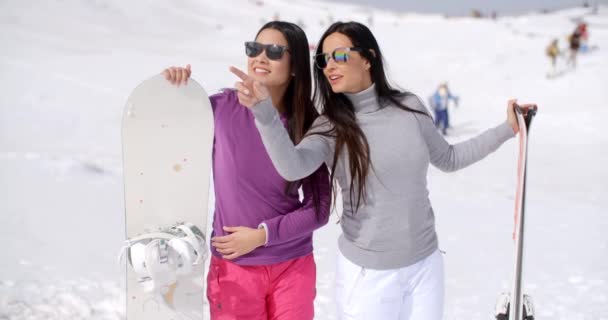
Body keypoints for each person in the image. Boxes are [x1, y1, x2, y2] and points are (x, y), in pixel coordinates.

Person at [231, 21, 536, 320]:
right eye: (323, 60)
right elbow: (292, 167)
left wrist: (508, 129)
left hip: (425, 266)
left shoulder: (410, 107)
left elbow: (450, 158)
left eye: (339, 55)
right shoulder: (330, 126)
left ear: (367, 58)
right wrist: (265, 115)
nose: (329, 66)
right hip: (367, 278)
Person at [163, 21, 331, 320]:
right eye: (254, 48)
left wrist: (262, 236)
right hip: (233, 266)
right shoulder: (220, 108)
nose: (260, 57)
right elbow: (171, 133)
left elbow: (318, 208)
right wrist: (176, 92)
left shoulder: (310, 123)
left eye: (275, 51)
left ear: (295, 66)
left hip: (293, 264)